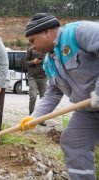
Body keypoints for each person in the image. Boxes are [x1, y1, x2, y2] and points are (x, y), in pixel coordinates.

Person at [21, 13, 99, 180]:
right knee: (73, 141)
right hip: (88, 110)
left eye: (33, 40)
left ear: (47, 32)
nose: (32, 47)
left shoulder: (79, 32)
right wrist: (34, 117)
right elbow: (52, 93)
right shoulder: (49, 62)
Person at [24, 47, 47, 126]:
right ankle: (31, 117)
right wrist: (33, 62)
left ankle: (42, 119)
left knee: (43, 98)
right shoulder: (31, 49)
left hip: (44, 77)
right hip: (32, 76)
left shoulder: (47, 48)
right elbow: (25, 62)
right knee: (33, 96)